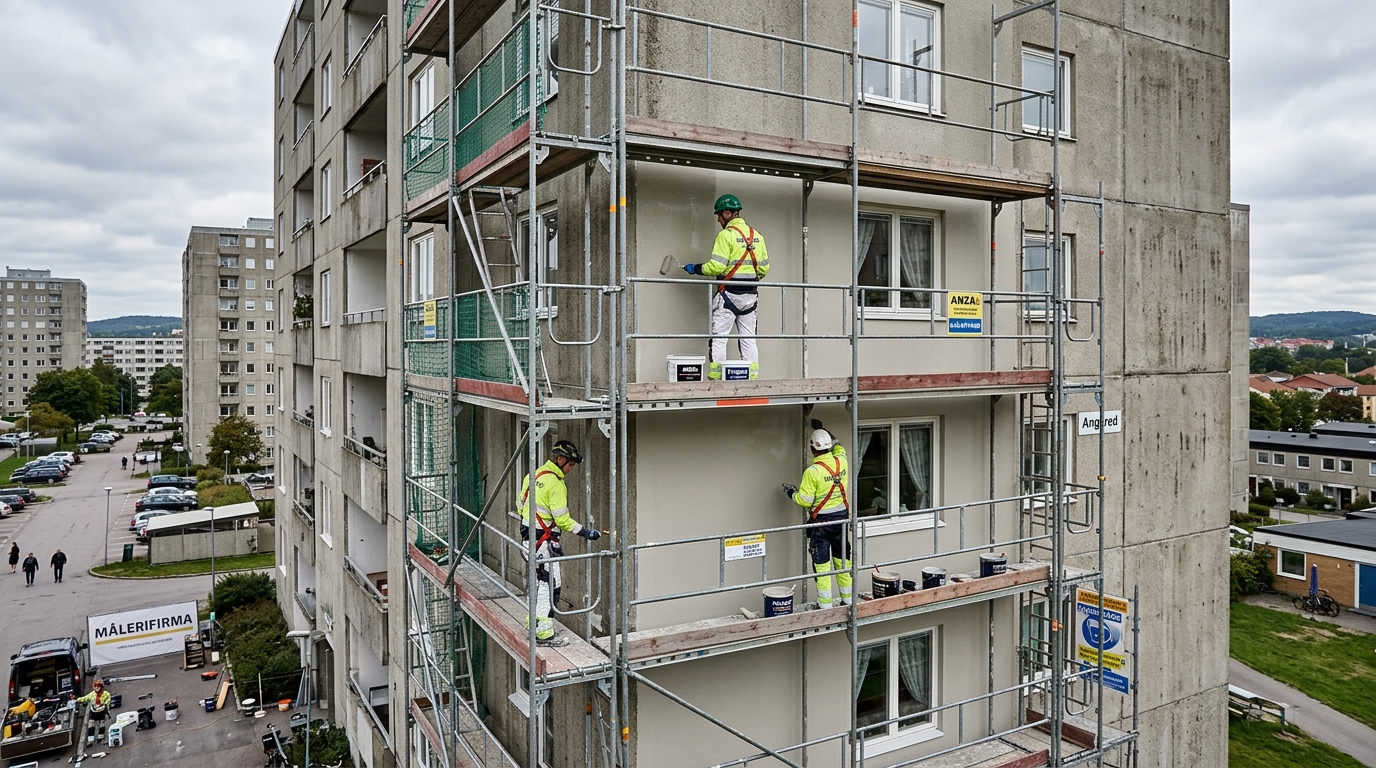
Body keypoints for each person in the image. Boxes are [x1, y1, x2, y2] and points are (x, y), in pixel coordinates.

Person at [518, 440, 600, 646]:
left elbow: (521, 506)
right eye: (570, 464)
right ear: (560, 459)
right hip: (544, 543)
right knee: (551, 585)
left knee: (537, 583)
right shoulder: (556, 484)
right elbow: (563, 520)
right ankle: (544, 633)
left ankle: (533, 622)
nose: (571, 468)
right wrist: (587, 532)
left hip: (529, 540)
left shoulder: (533, 476)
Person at [682, 194, 770, 380]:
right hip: (750, 296)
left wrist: (696, 268)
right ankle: (752, 379)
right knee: (748, 339)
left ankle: (716, 379)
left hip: (728, 294)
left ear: (728, 213)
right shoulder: (757, 236)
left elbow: (717, 267)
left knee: (719, 339)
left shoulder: (726, 236)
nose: (718, 219)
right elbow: (764, 268)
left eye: (720, 215)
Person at [783, 420, 852, 608]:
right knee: (843, 562)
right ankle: (848, 600)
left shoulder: (813, 471)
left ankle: (826, 606)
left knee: (822, 567)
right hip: (842, 522)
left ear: (813, 450)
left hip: (820, 525)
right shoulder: (842, 461)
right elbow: (839, 446)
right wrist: (822, 429)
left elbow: (804, 500)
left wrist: (791, 492)